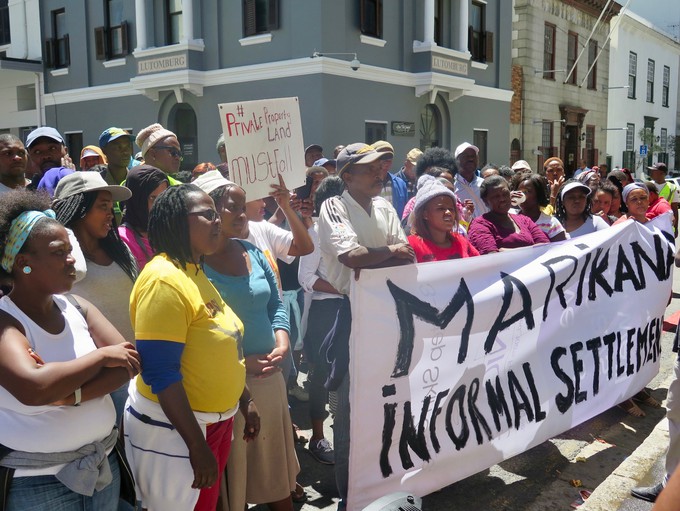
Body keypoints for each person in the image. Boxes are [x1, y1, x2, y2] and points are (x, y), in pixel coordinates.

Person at [0, 189, 141, 510]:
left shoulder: (79, 307)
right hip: (38, 483)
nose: (71, 260)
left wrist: (67, 393)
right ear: (23, 263)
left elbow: (128, 364)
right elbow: (34, 388)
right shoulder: (5, 322)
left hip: (104, 466)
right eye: (58, 252)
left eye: (69, 250)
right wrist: (101, 357)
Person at [124, 184, 258, 511]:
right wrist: (197, 447)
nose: (217, 222)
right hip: (176, 433)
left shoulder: (195, 271)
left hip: (211, 425)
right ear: (175, 222)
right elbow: (161, 372)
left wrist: (244, 399)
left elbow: (221, 344)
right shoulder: (164, 280)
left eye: (217, 214)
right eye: (208, 214)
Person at [193, 171, 300, 511]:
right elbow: (199, 338)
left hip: (270, 380)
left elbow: (275, 306)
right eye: (231, 208)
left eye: (243, 206)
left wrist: (282, 342)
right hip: (226, 390)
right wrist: (240, 365)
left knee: (276, 476)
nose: (242, 215)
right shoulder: (194, 268)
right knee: (232, 484)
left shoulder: (253, 253)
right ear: (210, 213)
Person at [317, 143, 414, 509]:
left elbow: (408, 257)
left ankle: (383, 489)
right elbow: (351, 256)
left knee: (389, 408)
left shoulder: (386, 207)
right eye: (370, 168)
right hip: (353, 317)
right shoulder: (334, 207)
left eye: (380, 167)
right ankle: (350, 497)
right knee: (349, 417)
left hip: (389, 317)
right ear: (347, 176)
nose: (379, 173)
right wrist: (388, 252)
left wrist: (381, 256)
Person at [52, 172, 137, 422]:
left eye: (112, 207)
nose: (111, 213)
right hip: (92, 382)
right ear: (78, 208)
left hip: (135, 371)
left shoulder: (120, 251)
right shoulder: (59, 264)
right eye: (102, 206)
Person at [297, 176, 345, 465]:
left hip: (351, 309)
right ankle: (317, 436)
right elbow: (306, 278)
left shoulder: (354, 232)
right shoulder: (315, 235)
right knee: (320, 377)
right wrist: (342, 288)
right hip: (325, 314)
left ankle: (345, 432)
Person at [468, 175, 549, 255]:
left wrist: (507, 252)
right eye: (496, 197)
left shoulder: (524, 220)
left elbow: (545, 245)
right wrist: (533, 248)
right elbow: (492, 257)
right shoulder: (480, 225)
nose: (502, 199)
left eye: (505, 194)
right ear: (485, 201)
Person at [408, 174, 479, 262]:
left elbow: (479, 266)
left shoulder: (461, 241)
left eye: (451, 209)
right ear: (424, 214)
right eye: (441, 208)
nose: (448, 213)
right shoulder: (411, 246)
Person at [118, 165, 170, 270]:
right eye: (153, 198)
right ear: (137, 200)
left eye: (163, 197)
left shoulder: (170, 234)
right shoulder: (122, 240)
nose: (159, 205)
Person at [511, 172, 567, 241]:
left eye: (527, 191)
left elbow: (560, 248)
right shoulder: (510, 216)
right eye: (519, 191)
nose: (521, 194)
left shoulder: (551, 223)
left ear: (539, 194)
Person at [372, 140, 408, 218]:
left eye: (389, 156)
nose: (387, 160)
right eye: (383, 156)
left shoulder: (400, 184)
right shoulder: (365, 183)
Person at [453, 142, 488, 218]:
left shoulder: (484, 184)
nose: (471, 159)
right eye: (466, 156)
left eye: (473, 156)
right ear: (457, 160)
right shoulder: (452, 186)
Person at [648, 162, 679, 237]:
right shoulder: (648, 185)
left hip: (666, 225)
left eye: (654, 171)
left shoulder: (672, 188)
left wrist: (676, 227)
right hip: (650, 223)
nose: (651, 173)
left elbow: (675, 209)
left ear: (662, 173)